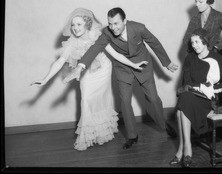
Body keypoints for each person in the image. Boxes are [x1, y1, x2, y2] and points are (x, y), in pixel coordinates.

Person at [31, 8, 147, 151]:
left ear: (87, 24)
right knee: (86, 100)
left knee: (102, 100)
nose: (75, 28)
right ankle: (86, 138)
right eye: (73, 25)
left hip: (103, 70)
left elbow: (115, 54)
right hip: (87, 72)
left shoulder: (98, 36)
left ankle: (102, 133)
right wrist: (45, 79)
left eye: (79, 24)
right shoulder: (72, 42)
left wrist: (133, 64)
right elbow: (60, 61)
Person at [63, 7, 179, 149]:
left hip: (143, 65)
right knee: (124, 101)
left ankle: (163, 124)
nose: (113, 27)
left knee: (153, 99)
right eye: (110, 23)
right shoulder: (106, 32)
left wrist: (166, 62)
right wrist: (80, 67)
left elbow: (154, 43)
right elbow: (95, 48)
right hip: (123, 69)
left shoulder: (139, 28)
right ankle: (132, 136)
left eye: (116, 23)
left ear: (124, 20)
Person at [169, 27, 222, 167]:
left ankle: (182, 149)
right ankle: (187, 149)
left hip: (209, 98)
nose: (194, 45)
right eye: (192, 43)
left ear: (205, 42)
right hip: (193, 95)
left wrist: (210, 88)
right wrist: (199, 87)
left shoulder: (217, 58)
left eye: (197, 42)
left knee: (182, 106)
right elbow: (187, 82)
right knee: (185, 99)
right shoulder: (190, 58)